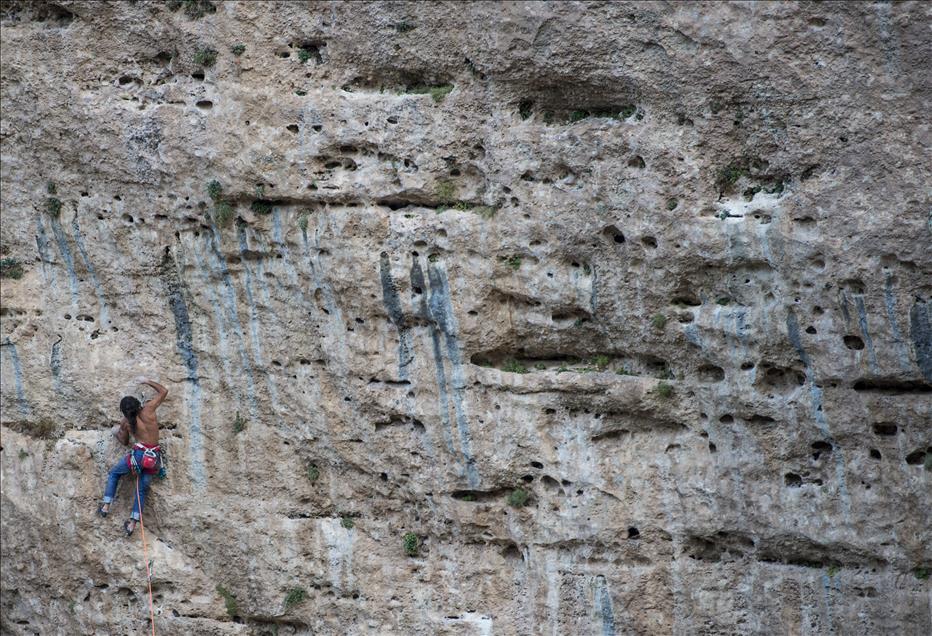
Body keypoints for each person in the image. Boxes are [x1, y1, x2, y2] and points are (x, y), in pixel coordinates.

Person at [97, 377, 168, 536]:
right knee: (142, 490)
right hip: (153, 459)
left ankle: (106, 506)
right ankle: (132, 524)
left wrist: (115, 432)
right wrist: (147, 381)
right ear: (138, 404)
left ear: (124, 411)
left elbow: (124, 441)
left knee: (114, 473)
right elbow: (164, 391)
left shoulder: (126, 422)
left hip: (139, 456)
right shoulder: (149, 410)